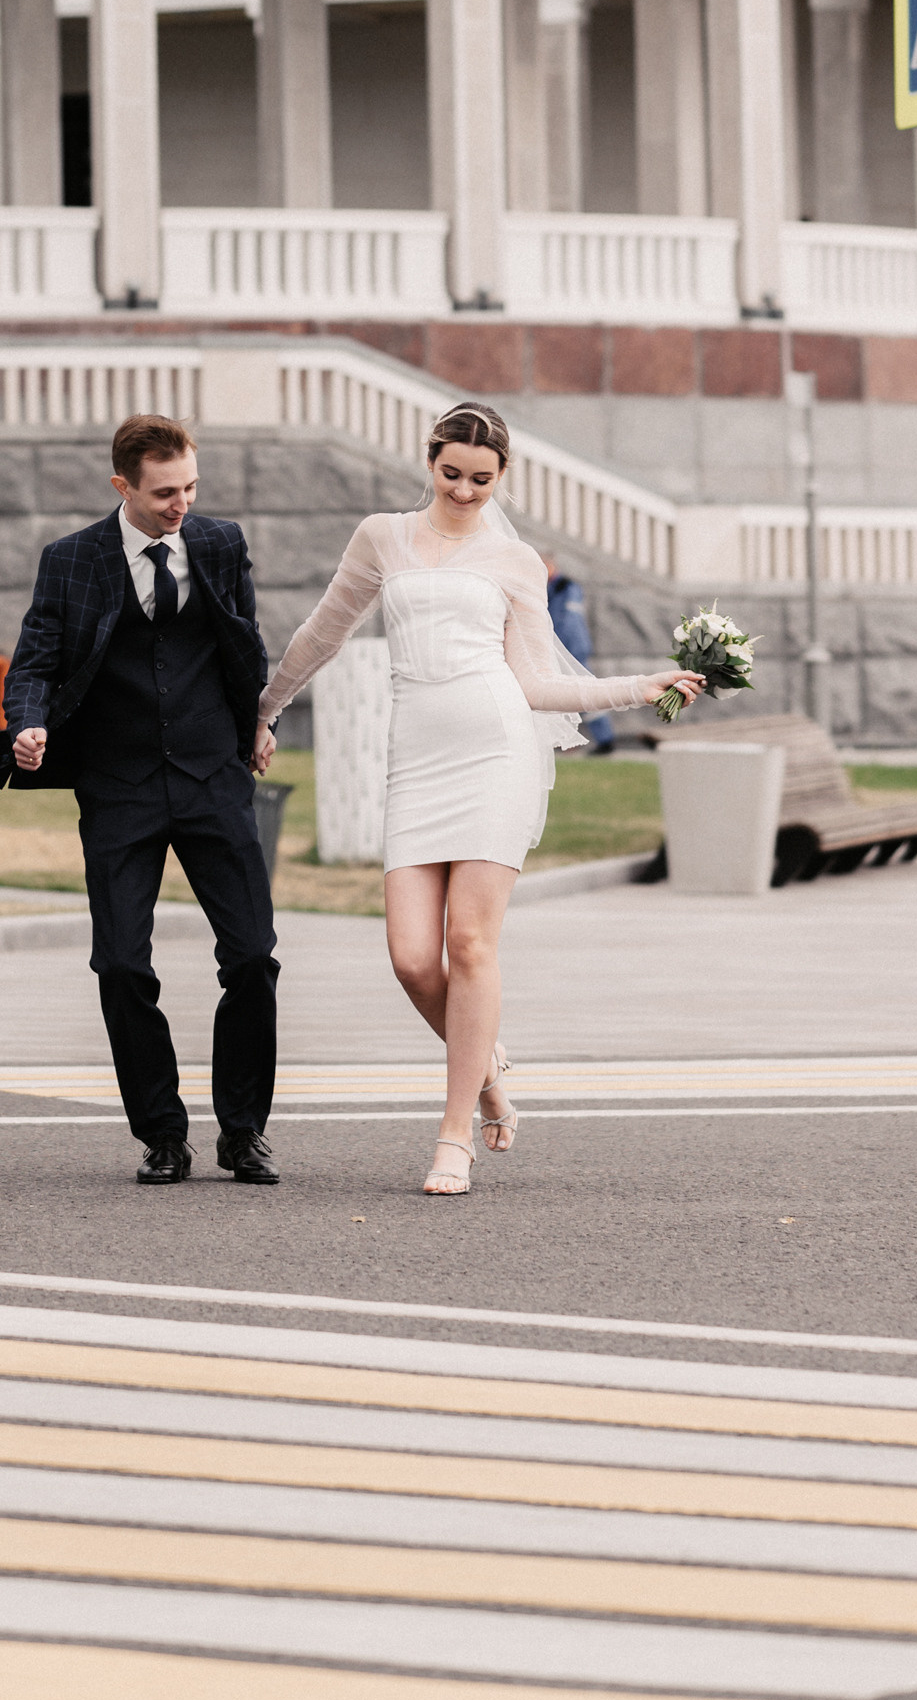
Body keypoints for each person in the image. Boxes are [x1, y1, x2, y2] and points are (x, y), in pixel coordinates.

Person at [256, 401, 703, 1198]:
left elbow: (537, 682)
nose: (463, 491)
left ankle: (453, 1134)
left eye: (481, 480)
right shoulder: (381, 537)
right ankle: (487, 1066)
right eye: (451, 473)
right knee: (407, 956)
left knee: (468, 944)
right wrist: (266, 709)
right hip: (416, 758)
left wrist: (644, 685)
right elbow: (322, 633)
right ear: (429, 461)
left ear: (502, 477)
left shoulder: (515, 561)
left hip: (495, 748)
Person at [7, 413, 279, 1189]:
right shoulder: (71, 561)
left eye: (190, 486)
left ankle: (243, 1132)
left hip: (210, 779)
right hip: (118, 787)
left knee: (253, 957)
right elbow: (34, 660)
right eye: (164, 492)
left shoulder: (220, 544)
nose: (181, 504)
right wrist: (26, 725)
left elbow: (243, 643)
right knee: (122, 964)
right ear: (122, 484)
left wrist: (257, 721)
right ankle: (161, 1133)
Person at [544, 556, 617, 754]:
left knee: (586, 692)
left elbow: (568, 624)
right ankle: (569, 739)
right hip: (563, 650)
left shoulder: (566, 588)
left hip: (571, 650)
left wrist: (562, 650)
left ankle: (605, 739)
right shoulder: (553, 589)